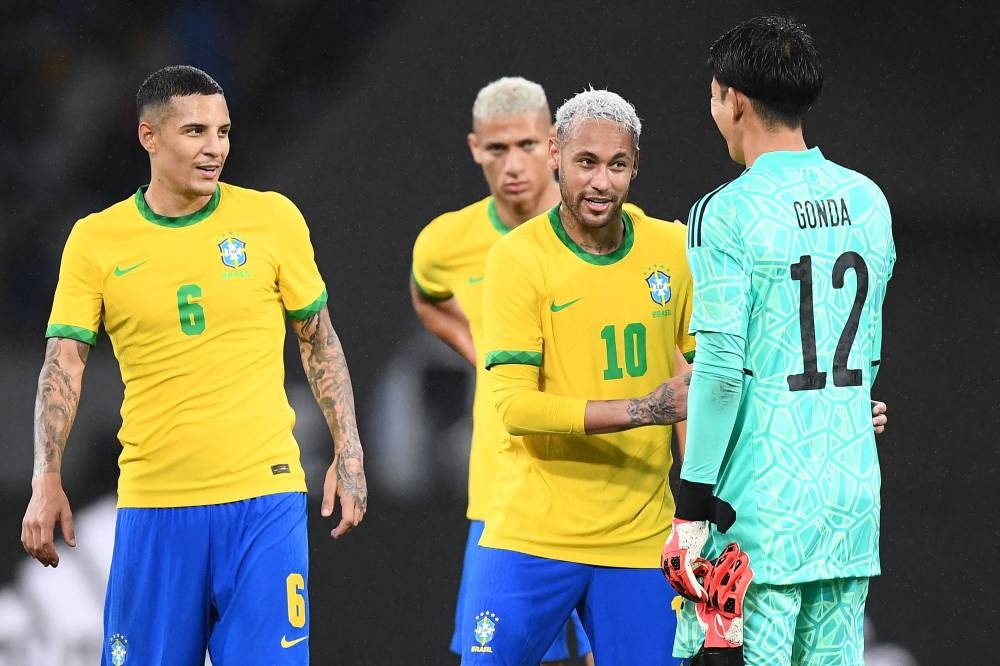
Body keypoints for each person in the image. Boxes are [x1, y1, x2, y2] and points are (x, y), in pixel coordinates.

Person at [20, 65, 367, 666]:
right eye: (196, 131)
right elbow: (63, 366)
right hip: (156, 504)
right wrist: (45, 478)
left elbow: (320, 342)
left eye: (224, 131)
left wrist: (350, 449)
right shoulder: (97, 240)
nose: (216, 149)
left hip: (265, 497)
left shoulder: (272, 219)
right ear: (149, 137)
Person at [663, 16, 895, 666]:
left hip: (760, 508)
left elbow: (720, 372)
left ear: (732, 97)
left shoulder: (726, 211)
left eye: (713, 97)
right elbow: (865, 355)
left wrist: (692, 507)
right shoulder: (868, 201)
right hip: (849, 501)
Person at [461, 87, 696, 665]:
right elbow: (514, 406)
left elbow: (710, 382)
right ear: (555, 155)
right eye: (586, 162)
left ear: (635, 166)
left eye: (617, 165)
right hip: (531, 532)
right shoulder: (518, 258)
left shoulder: (674, 249)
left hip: (639, 540)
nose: (601, 182)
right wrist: (642, 410)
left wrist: (834, 415)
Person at [410, 76, 597, 665]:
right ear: (474, 149)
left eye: (527, 145)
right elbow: (427, 297)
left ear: (555, 143)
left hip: (598, 489)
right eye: (497, 149)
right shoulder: (447, 241)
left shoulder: (605, 234)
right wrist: (480, 351)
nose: (513, 164)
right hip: (504, 494)